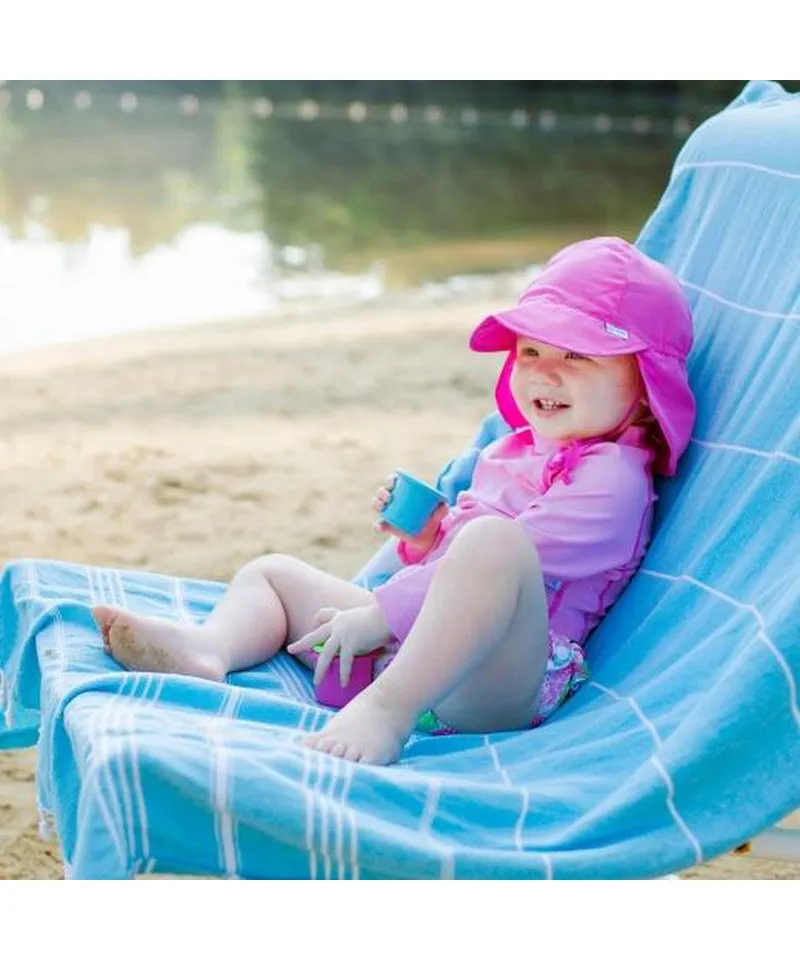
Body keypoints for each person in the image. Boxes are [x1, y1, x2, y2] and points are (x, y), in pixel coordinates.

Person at [93, 236, 696, 766]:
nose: (543, 373)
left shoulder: (614, 478)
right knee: (274, 574)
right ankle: (211, 648)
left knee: (495, 541)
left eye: (576, 356)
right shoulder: (515, 450)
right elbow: (462, 564)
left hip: (500, 680)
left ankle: (388, 709)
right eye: (532, 352)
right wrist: (429, 535)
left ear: (644, 386)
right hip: (422, 638)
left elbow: (510, 562)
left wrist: (380, 615)